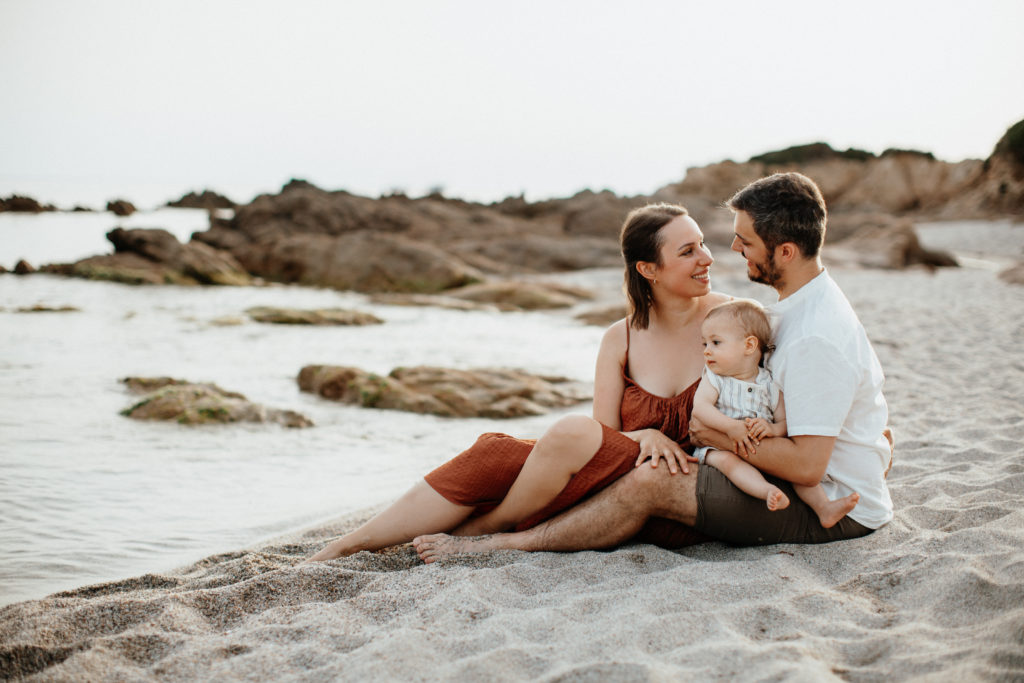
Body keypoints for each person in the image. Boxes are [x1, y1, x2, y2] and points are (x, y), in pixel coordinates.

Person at [413, 172, 894, 563]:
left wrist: (711, 435)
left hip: (828, 510)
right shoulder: (791, 310)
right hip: (796, 479)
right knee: (508, 453)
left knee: (649, 481)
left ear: (784, 251)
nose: (730, 250)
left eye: (744, 240)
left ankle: (504, 543)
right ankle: (469, 516)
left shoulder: (813, 335)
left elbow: (808, 464)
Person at [307, 202, 727, 562]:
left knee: (568, 431)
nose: (707, 257)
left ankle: (489, 527)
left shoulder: (733, 318)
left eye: (703, 244)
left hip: (673, 494)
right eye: (689, 251)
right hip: (622, 472)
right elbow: (607, 437)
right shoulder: (622, 337)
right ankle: (346, 547)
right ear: (648, 268)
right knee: (497, 453)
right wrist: (646, 434)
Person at [691, 299, 860, 527]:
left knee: (799, 475)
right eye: (705, 344)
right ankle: (766, 491)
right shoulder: (714, 379)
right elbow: (700, 408)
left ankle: (824, 508)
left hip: (763, 449)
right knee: (730, 463)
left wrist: (771, 429)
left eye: (715, 342)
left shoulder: (769, 382)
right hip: (720, 447)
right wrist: (730, 427)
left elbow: (785, 422)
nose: (707, 351)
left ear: (749, 346)